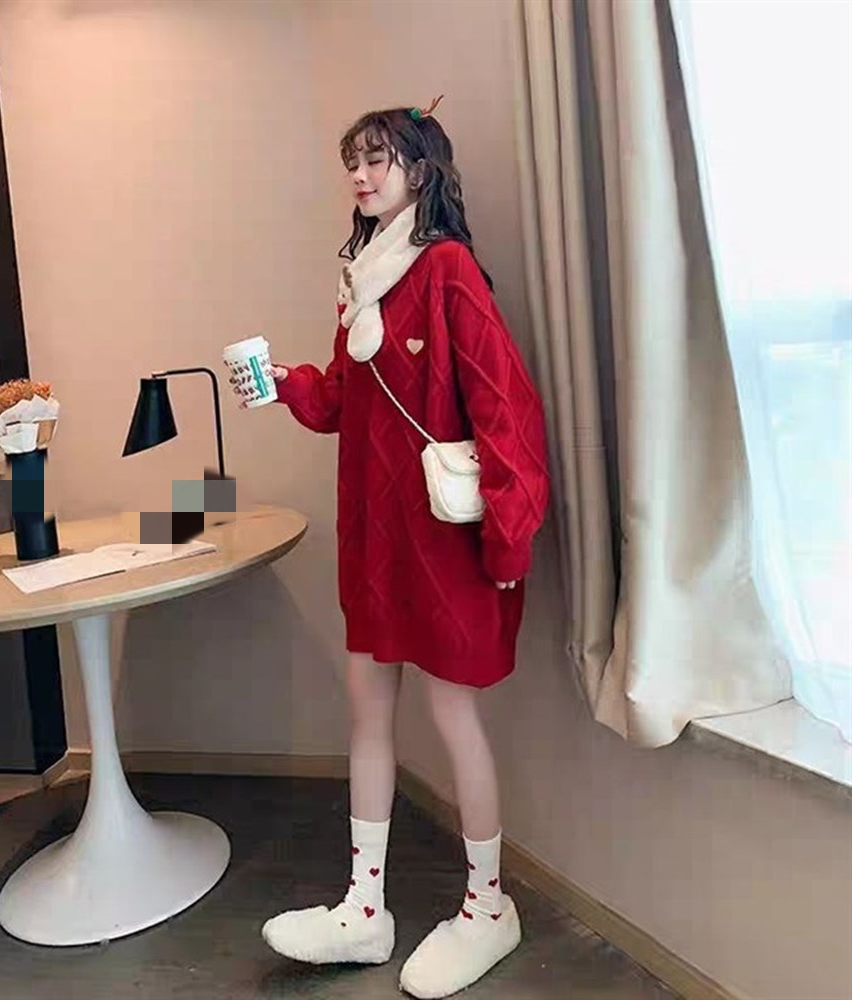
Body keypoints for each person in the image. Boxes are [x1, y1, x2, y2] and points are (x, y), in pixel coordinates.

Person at [259, 97, 551, 1000]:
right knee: (368, 713)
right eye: (353, 160)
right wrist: (282, 383)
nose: (360, 174)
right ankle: (364, 907)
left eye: (377, 158)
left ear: (420, 170)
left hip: (442, 540)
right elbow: (344, 400)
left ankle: (488, 906)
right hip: (376, 537)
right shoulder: (364, 278)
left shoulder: (447, 269)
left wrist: (509, 535)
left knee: (454, 716)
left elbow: (505, 406)